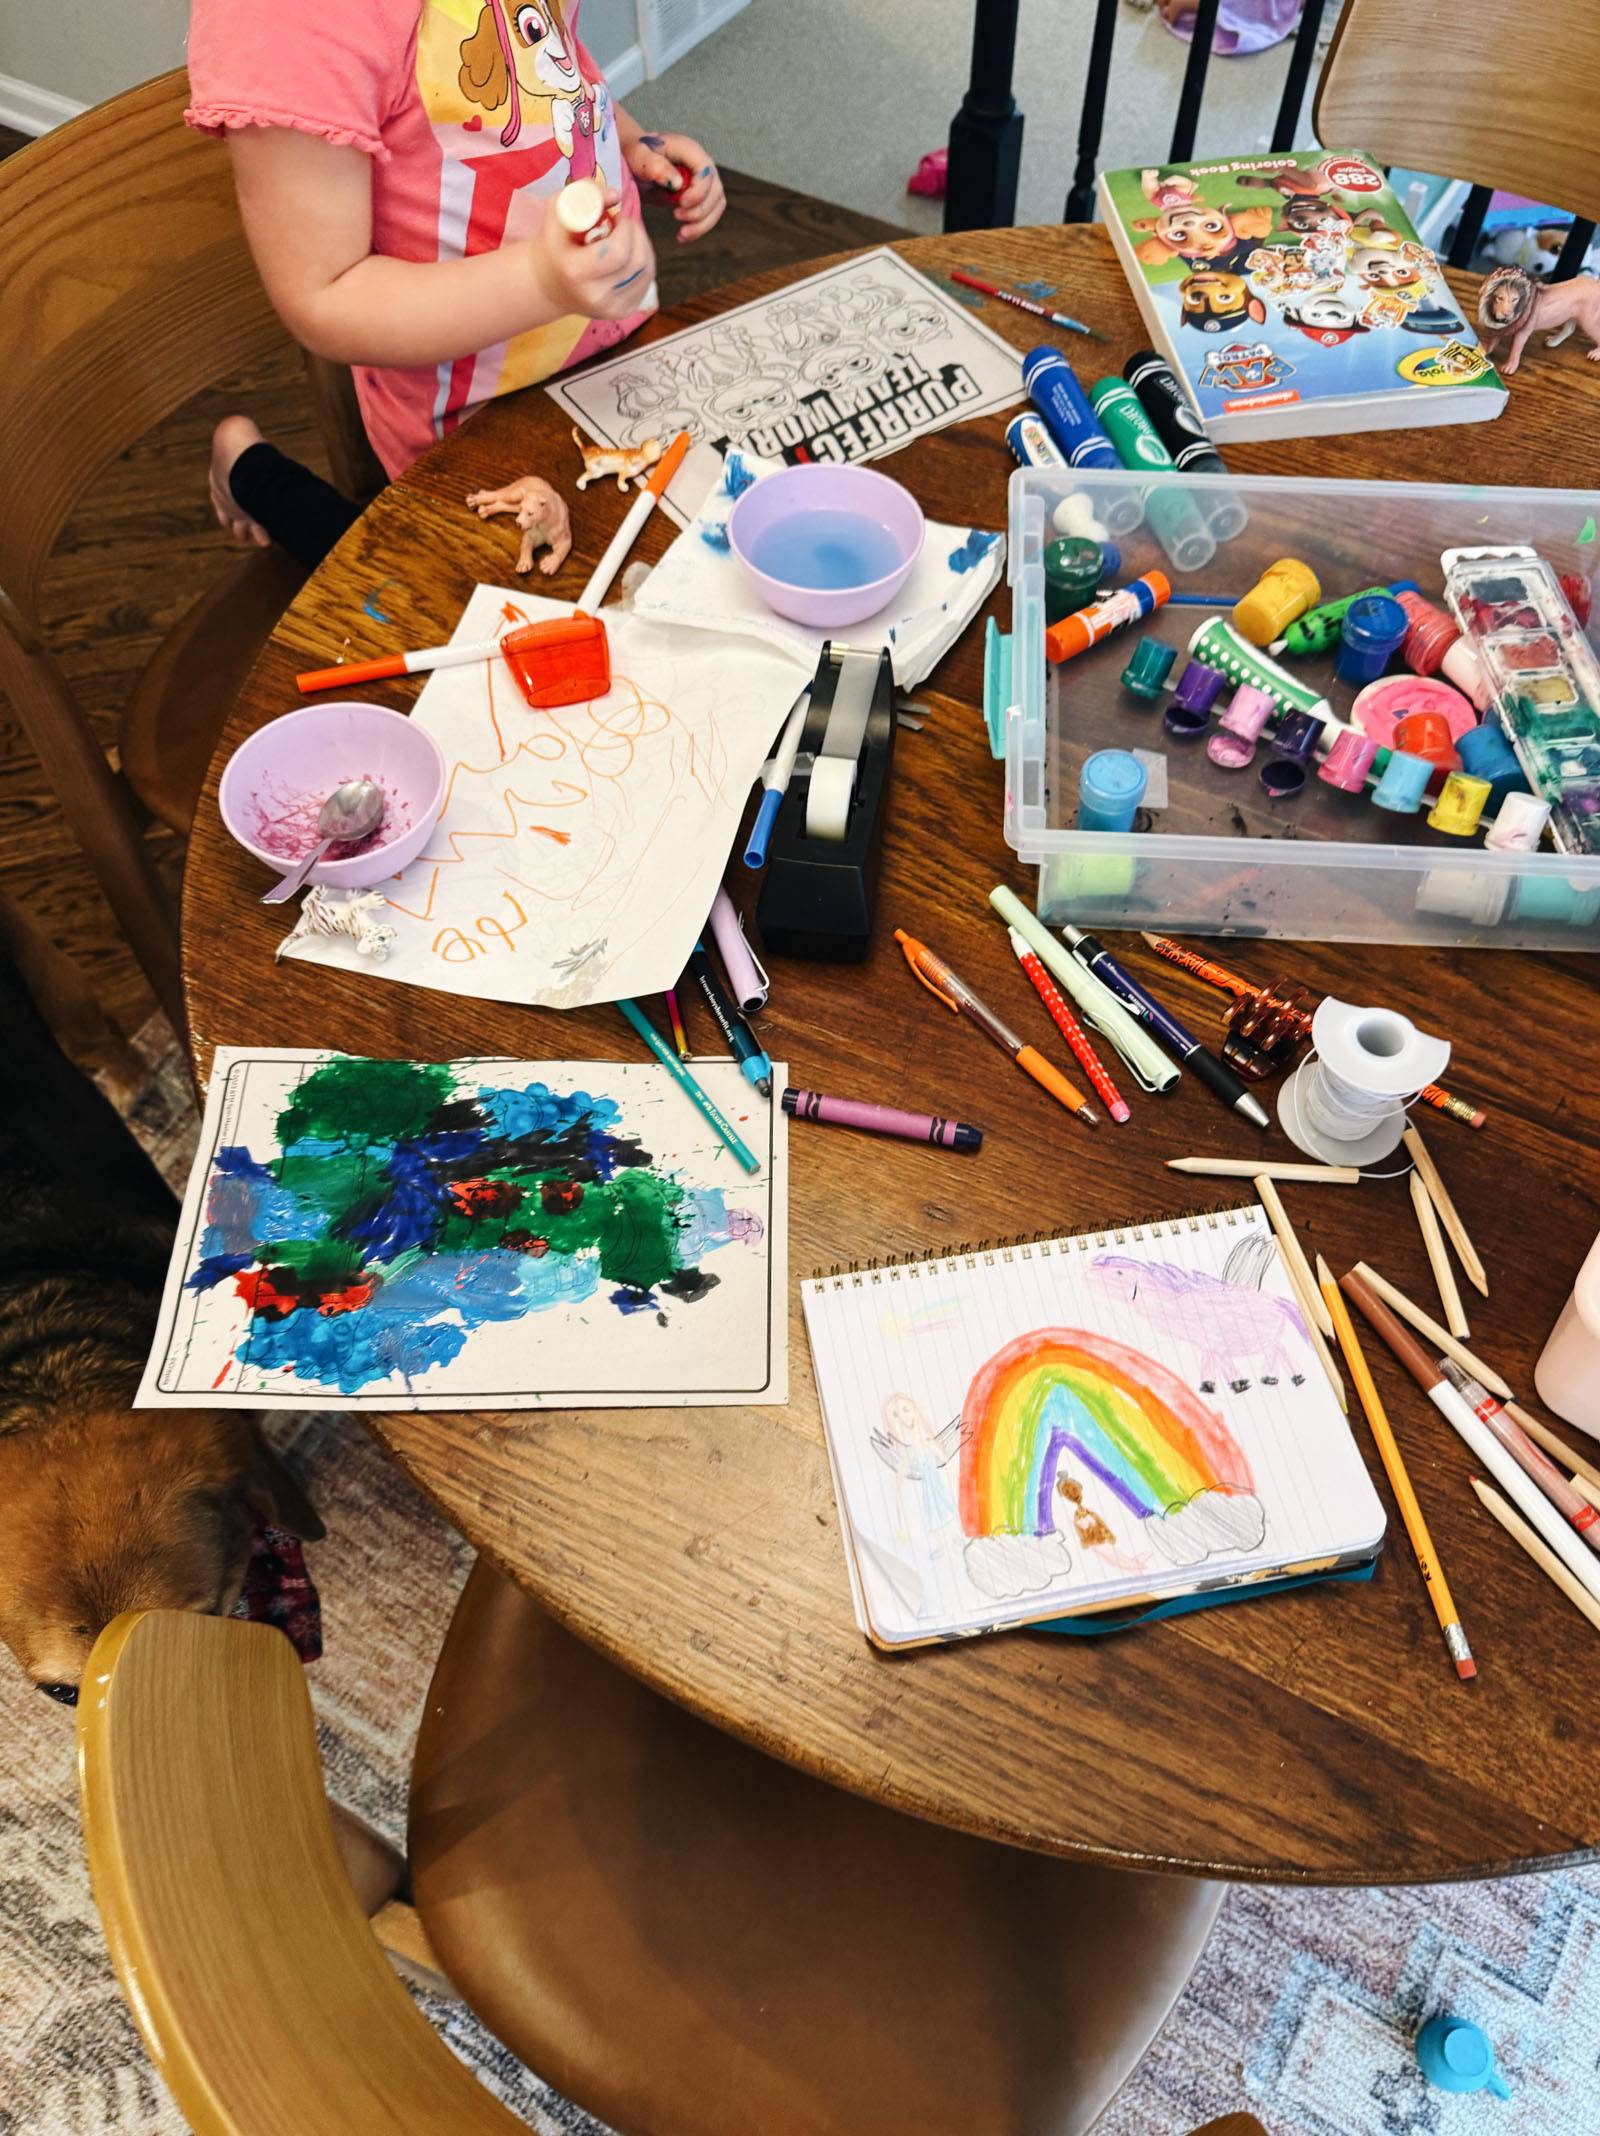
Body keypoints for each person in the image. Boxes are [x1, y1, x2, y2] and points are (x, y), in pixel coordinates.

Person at [187, 0, 725, 568]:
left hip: (614, 354)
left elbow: (545, 67)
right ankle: (250, 471)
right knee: (437, 588)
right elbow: (324, 297)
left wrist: (628, 141)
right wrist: (540, 281)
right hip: (469, 423)